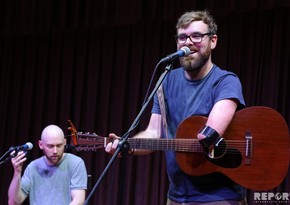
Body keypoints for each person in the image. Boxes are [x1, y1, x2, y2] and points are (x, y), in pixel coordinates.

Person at [105, 10, 246, 205]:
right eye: (182, 37)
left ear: (213, 41)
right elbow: (154, 134)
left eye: (196, 36)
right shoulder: (165, 81)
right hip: (177, 196)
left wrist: (199, 138)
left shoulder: (225, 81)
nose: (188, 42)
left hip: (219, 196)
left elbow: (211, 133)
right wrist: (127, 146)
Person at [8, 124, 87, 205]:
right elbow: (13, 203)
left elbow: (78, 200)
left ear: (64, 142)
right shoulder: (33, 167)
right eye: (50, 146)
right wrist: (17, 172)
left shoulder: (75, 163)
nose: (55, 151)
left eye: (59, 145)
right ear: (41, 145)